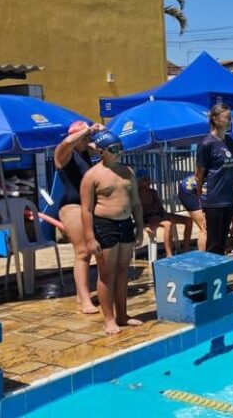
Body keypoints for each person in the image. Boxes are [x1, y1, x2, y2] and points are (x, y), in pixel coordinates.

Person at [79, 130, 143, 335]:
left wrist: (139, 227)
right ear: (101, 151)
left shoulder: (128, 172)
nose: (119, 153)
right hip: (104, 225)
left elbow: (136, 203)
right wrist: (89, 237)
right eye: (114, 149)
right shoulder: (92, 176)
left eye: (120, 148)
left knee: (124, 272)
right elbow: (86, 209)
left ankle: (122, 315)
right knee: (107, 274)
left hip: (125, 223)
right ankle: (108, 319)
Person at [54, 120, 104, 314]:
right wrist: (84, 131)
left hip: (88, 206)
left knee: (95, 251)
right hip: (71, 207)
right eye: (85, 138)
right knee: (83, 252)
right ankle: (85, 300)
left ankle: (81, 294)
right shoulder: (63, 154)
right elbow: (66, 143)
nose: (88, 140)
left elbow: (109, 145)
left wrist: (101, 130)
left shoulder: (84, 151)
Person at [195, 103, 233, 255]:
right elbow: (199, 175)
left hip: (227, 198)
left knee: (222, 241)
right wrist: (201, 198)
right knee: (213, 242)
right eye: (226, 117)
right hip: (213, 198)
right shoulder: (207, 144)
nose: (229, 120)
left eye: (230, 117)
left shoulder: (230, 142)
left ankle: (219, 277)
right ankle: (210, 276)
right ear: (215, 119)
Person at [137, 170, 192, 257]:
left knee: (188, 221)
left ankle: (186, 249)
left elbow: (160, 208)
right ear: (138, 181)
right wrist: (144, 225)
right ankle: (169, 254)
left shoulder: (152, 192)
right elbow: (135, 214)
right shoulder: (135, 195)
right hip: (148, 219)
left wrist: (166, 215)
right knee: (168, 224)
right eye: (145, 180)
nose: (149, 182)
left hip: (158, 215)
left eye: (149, 179)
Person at [176, 173, 207, 252]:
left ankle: (186, 250)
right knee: (205, 228)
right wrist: (204, 213)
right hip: (188, 191)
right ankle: (204, 256)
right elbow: (203, 197)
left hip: (192, 187)